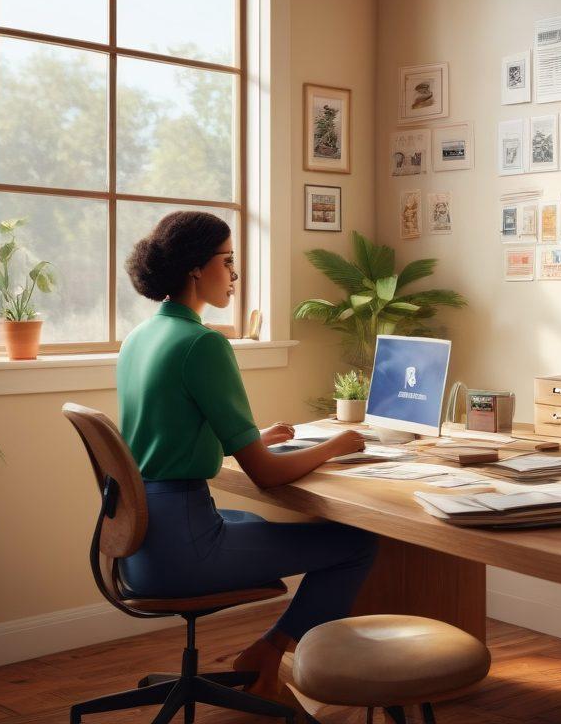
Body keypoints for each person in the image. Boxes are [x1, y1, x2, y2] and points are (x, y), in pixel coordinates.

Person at [117, 210, 377, 700]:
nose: (235, 276)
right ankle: (268, 651)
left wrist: (253, 436)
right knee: (357, 544)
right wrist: (336, 445)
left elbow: (168, 431)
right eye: (228, 261)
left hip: (140, 541)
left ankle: (267, 655)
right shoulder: (202, 343)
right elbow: (265, 476)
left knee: (253, 524)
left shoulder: (140, 338)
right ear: (197, 267)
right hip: (185, 548)